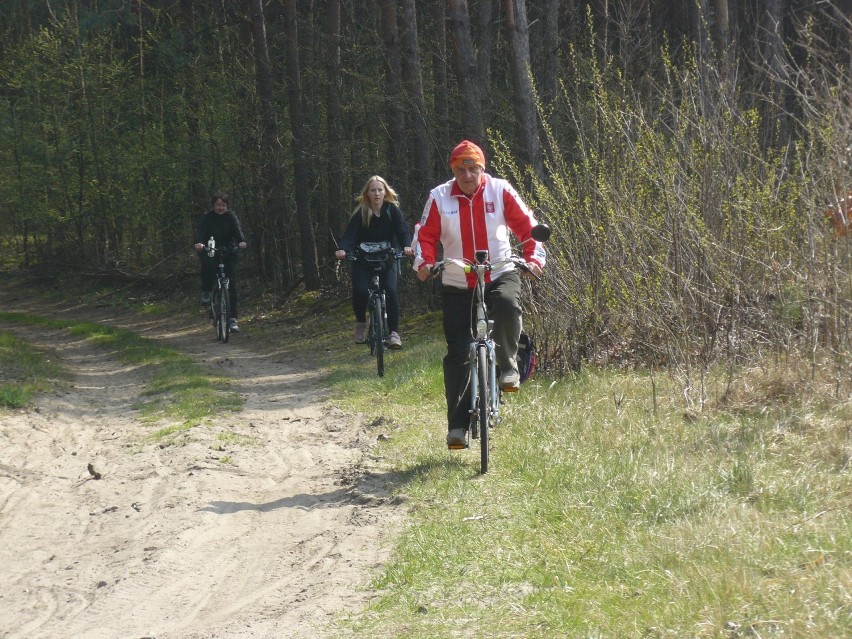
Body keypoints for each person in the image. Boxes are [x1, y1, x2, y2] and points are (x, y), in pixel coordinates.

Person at [413, 140, 546, 450]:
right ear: (453, 171)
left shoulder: (500, 190)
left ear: (482, 169)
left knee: (507, 305)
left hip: (499, 272)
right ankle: (457, 427)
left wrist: (533, 260)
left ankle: (507, 366)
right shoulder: (439, 197)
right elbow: (425, 235)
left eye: (473, 168)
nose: (468, 174)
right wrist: (425, 263)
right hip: (458, 281)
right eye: (461, 169)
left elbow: (530, 228)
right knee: (458, 353)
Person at [335, 175, 413, 348]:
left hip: (387, 259)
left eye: (380, 190)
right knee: (361, 290)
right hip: (363, 260)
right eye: (373, 190)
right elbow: (350, 235)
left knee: (391, 291)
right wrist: (342, 249)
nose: (377, 193)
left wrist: (407, 246)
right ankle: (361, 323)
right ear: (367, 193)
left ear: (385, 192)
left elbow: (403, 232)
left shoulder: (392, 211)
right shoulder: (361, 212)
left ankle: (394, 333)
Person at [193, 192, 248, 332]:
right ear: (213, 206)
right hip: (210, 249)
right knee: (208, 267)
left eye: (223, 205)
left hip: (228, 250)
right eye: (218, 205)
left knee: (231, 285)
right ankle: (207, 291)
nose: (221, 208)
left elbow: (237, 231)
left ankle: (232, 319)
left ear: (227, 206)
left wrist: (241, 241)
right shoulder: (207, 217)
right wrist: (199, 243)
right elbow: (201, 232)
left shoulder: (231, 217)